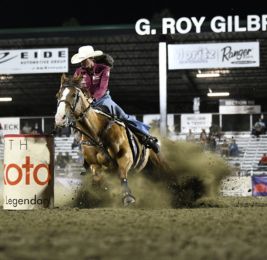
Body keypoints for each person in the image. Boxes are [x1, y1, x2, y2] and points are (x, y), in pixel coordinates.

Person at [71, 45, 159, 153]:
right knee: (75, 117)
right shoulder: (78, 72)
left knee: (123, 116)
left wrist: (92, 98)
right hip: (86, 102)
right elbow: (75, 87)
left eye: (84, 60)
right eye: (81, 61)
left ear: (91, 59)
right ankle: (78, 141)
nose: (82, 63)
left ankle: (147, 137)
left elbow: (102, 87)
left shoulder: (103, 69)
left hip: (103, 100)